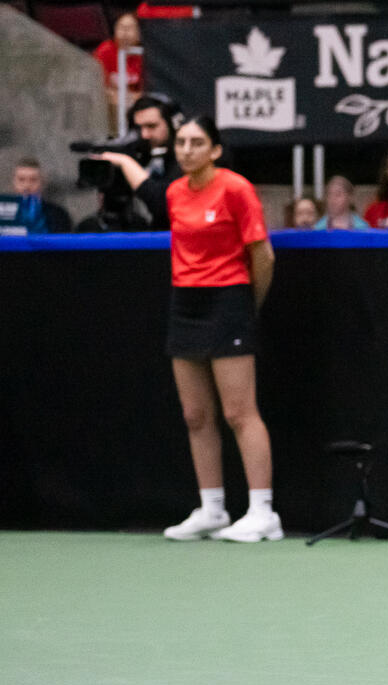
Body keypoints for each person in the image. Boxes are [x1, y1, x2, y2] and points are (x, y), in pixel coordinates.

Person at [161, 116, 282, 543]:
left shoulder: (236, 189)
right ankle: (212, 509)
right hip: (185, 302)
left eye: (197, 142)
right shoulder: (175, 191)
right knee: (195, 415)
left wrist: (248, 305)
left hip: (229, 299)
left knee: (238, 412)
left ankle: (263, 512)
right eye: (180, 142)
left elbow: (262, 255)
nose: (187, 149)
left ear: (214, 150)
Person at [87, 93, 183, 229]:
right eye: (138, 128)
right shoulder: (144, 154)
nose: (144, 135)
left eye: (152, 126)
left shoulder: (188, 159)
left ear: (173, 123)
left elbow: (162, 204)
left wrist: (125, 162)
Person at [92, 13, 144, 130]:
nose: (125, 32)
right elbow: (97, 89)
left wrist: (129, 98)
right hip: (109, 110)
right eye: (121, 27)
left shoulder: (144, 55)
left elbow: (146, 91)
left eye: (130, 28)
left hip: (136, 109)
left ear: (139, 32)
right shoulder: (104, 52)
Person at [10, 158, 72, 233]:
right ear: (14, 183)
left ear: (42, 183)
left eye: (33, 180)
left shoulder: (59, 215)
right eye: (21, 180)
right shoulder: (3, 214)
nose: (27, 186)